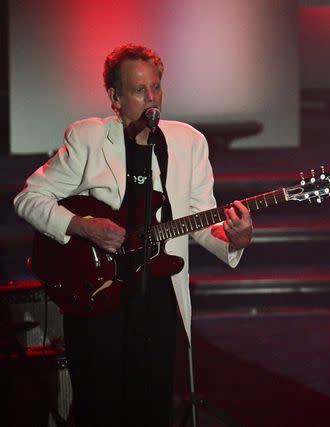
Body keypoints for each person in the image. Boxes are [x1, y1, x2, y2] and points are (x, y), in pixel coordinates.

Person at [13, 44, 253, 426]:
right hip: (98, 295)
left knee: (152, 408)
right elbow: (29, 198)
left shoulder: (188, 142)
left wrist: (234, 238)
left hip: (157, 297)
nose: (151, 98)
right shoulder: (88, 139)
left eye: (156, 87)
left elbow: (199, 218)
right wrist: (82, 225)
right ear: (115, 97)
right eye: (140, 90)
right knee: (100, 407)